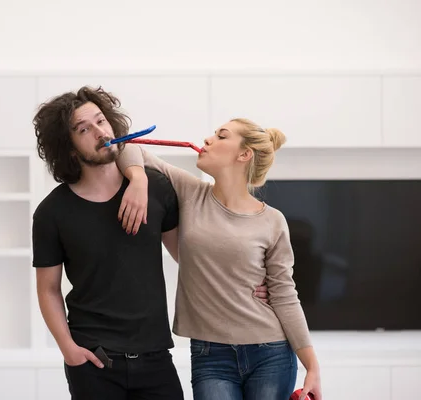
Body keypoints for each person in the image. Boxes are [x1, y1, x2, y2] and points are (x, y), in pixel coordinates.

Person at [31, 86, 269, 399]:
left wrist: (246, 283)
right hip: (93, 359)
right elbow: (48, 289)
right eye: (83, 129)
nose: (100, 132)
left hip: (156, 357)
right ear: (70, 147)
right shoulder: (52, 212)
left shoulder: (155, 187)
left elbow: (189, 258)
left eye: (101, 121)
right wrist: (69, 350)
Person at [115, 118, 323, 400]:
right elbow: (127, 147)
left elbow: (285, 294)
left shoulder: (273, 221)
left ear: (244, 154)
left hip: (270, 352)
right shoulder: (190, 192)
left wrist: (311, 366)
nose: (209, 140)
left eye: (221, 136)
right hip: (210, 354)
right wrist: (138, 178)